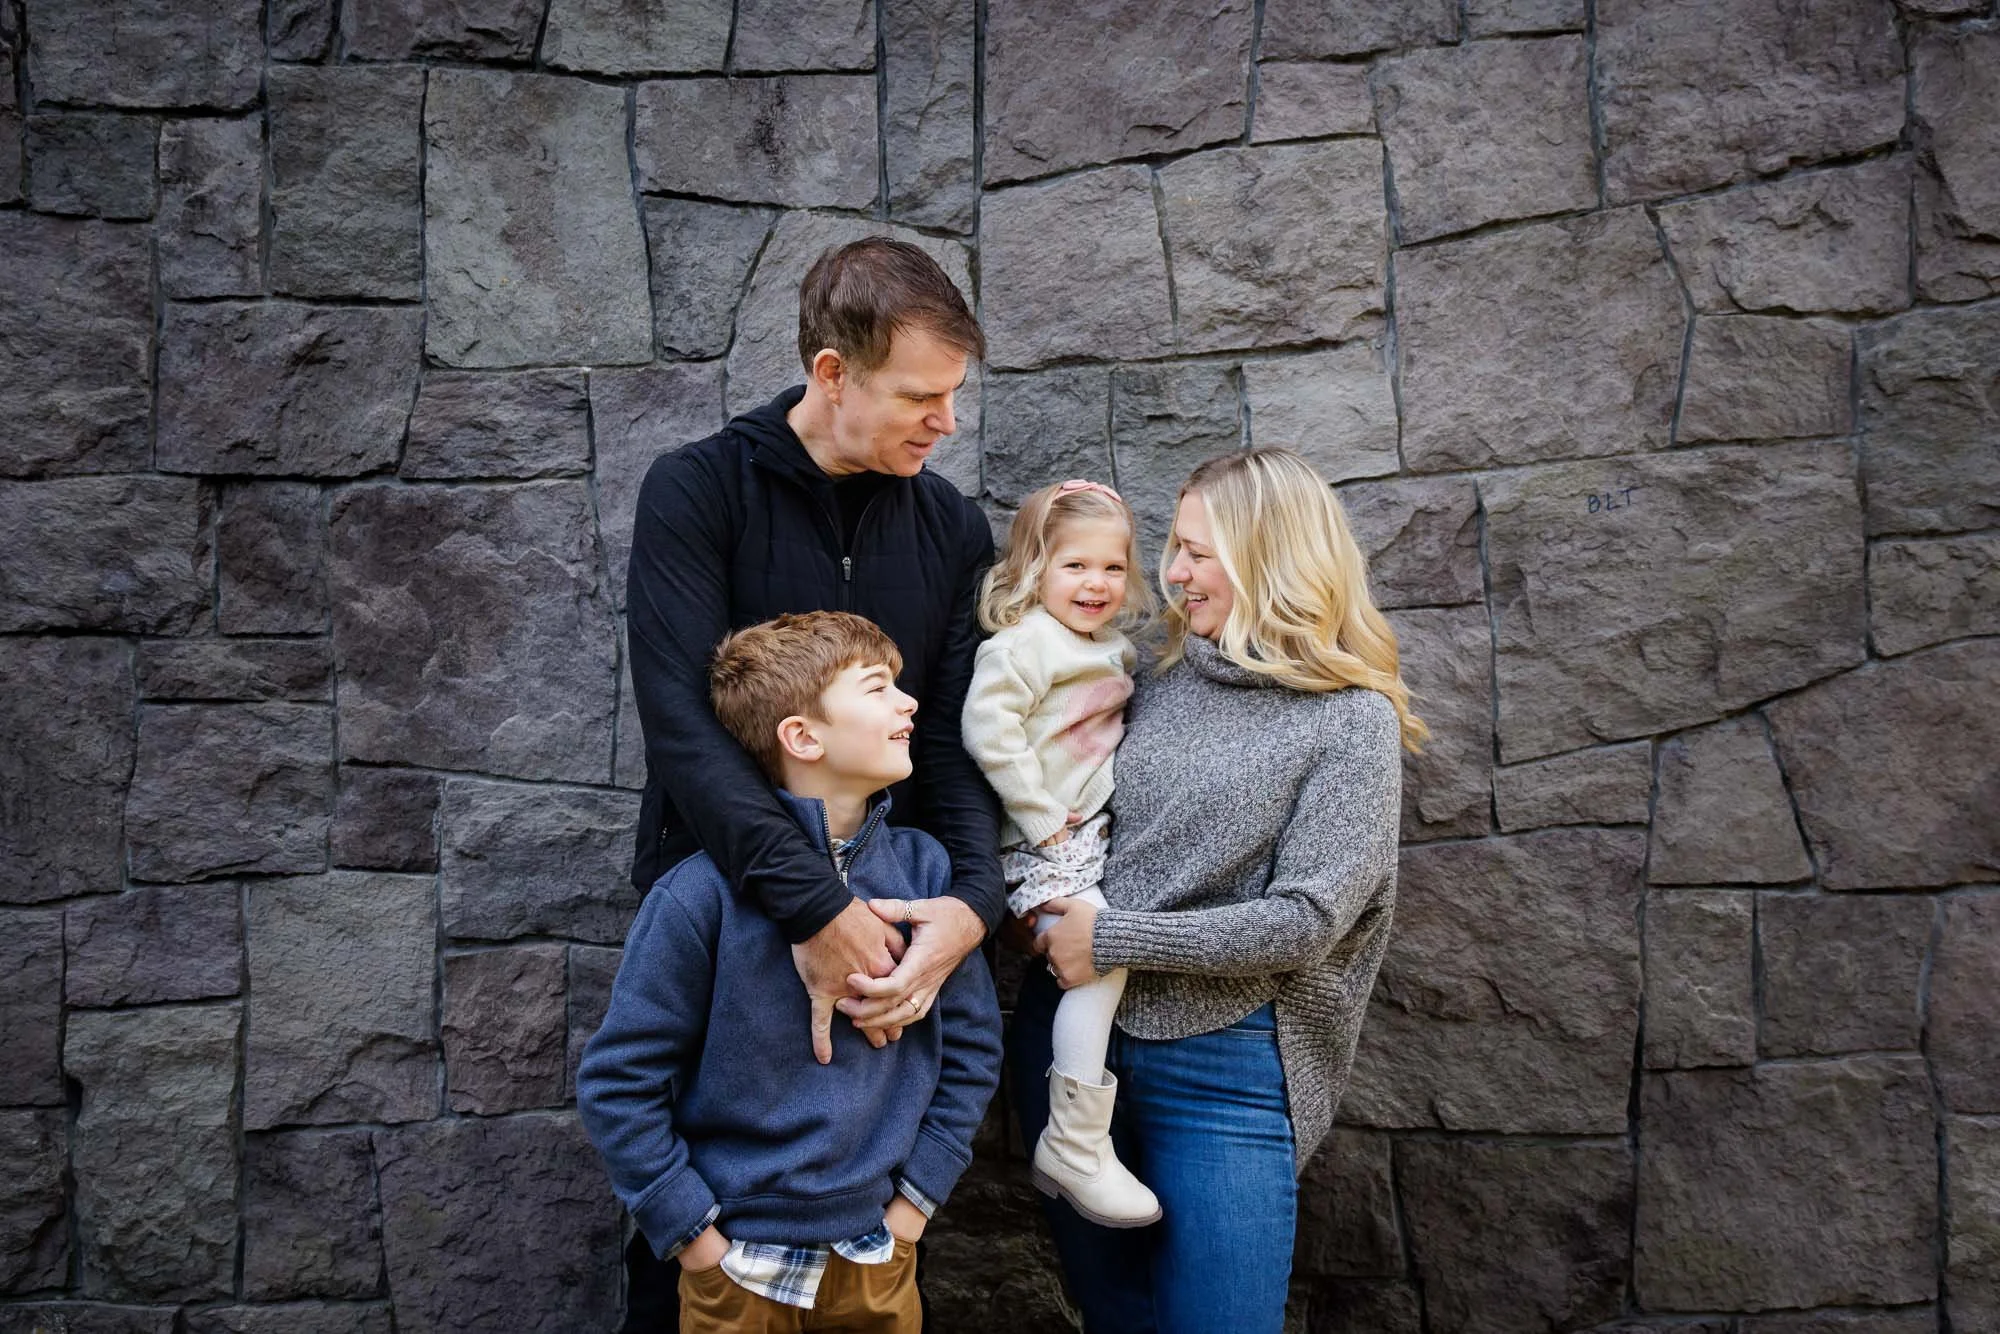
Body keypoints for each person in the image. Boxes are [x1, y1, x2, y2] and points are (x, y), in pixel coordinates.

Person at [622, 238, 1003, 1326]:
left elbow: (954, 744)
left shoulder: (947, 525)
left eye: (952, 396)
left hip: (893, 941)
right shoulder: (697, 491)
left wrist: (969, 909)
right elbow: (684, 735)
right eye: (917, 397)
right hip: (719, 923)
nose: (945, 423)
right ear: (832, 374)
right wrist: (810, 906)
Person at [1012, 448, 1428, 1334]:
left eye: (1201, 552)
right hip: (1073, 1048)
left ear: (1269, 556)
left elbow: (1308, 921)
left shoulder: (1347, 718)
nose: (1174, 572)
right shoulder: (1147, 679)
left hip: (1225, 1067)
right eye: (1175, 546)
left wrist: (1115, 937)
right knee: (1113, 1319)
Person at [580, 611, 1003, 1334]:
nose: (909, 703)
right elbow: (620, 1082)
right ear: (803, 737)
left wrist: (913, 1209)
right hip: (736, 1272)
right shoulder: (698, 895)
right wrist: (695, 1239)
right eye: (879, 688)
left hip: (878, 1260)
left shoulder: (930, 877)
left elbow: (970, 1053)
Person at [960, 479, 1159, 1227]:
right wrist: (1044, 819)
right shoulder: (1022, 646)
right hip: (1038, 840)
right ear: (1034, 570)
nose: (1096, 584)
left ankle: (1080, 1136)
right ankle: (1076, 1138)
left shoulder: (1111, 650)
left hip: (1083, 837)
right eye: (1075, 566)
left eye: (1112, 567)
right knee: (1100, 960)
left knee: (1105, 957)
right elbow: (989, 733)